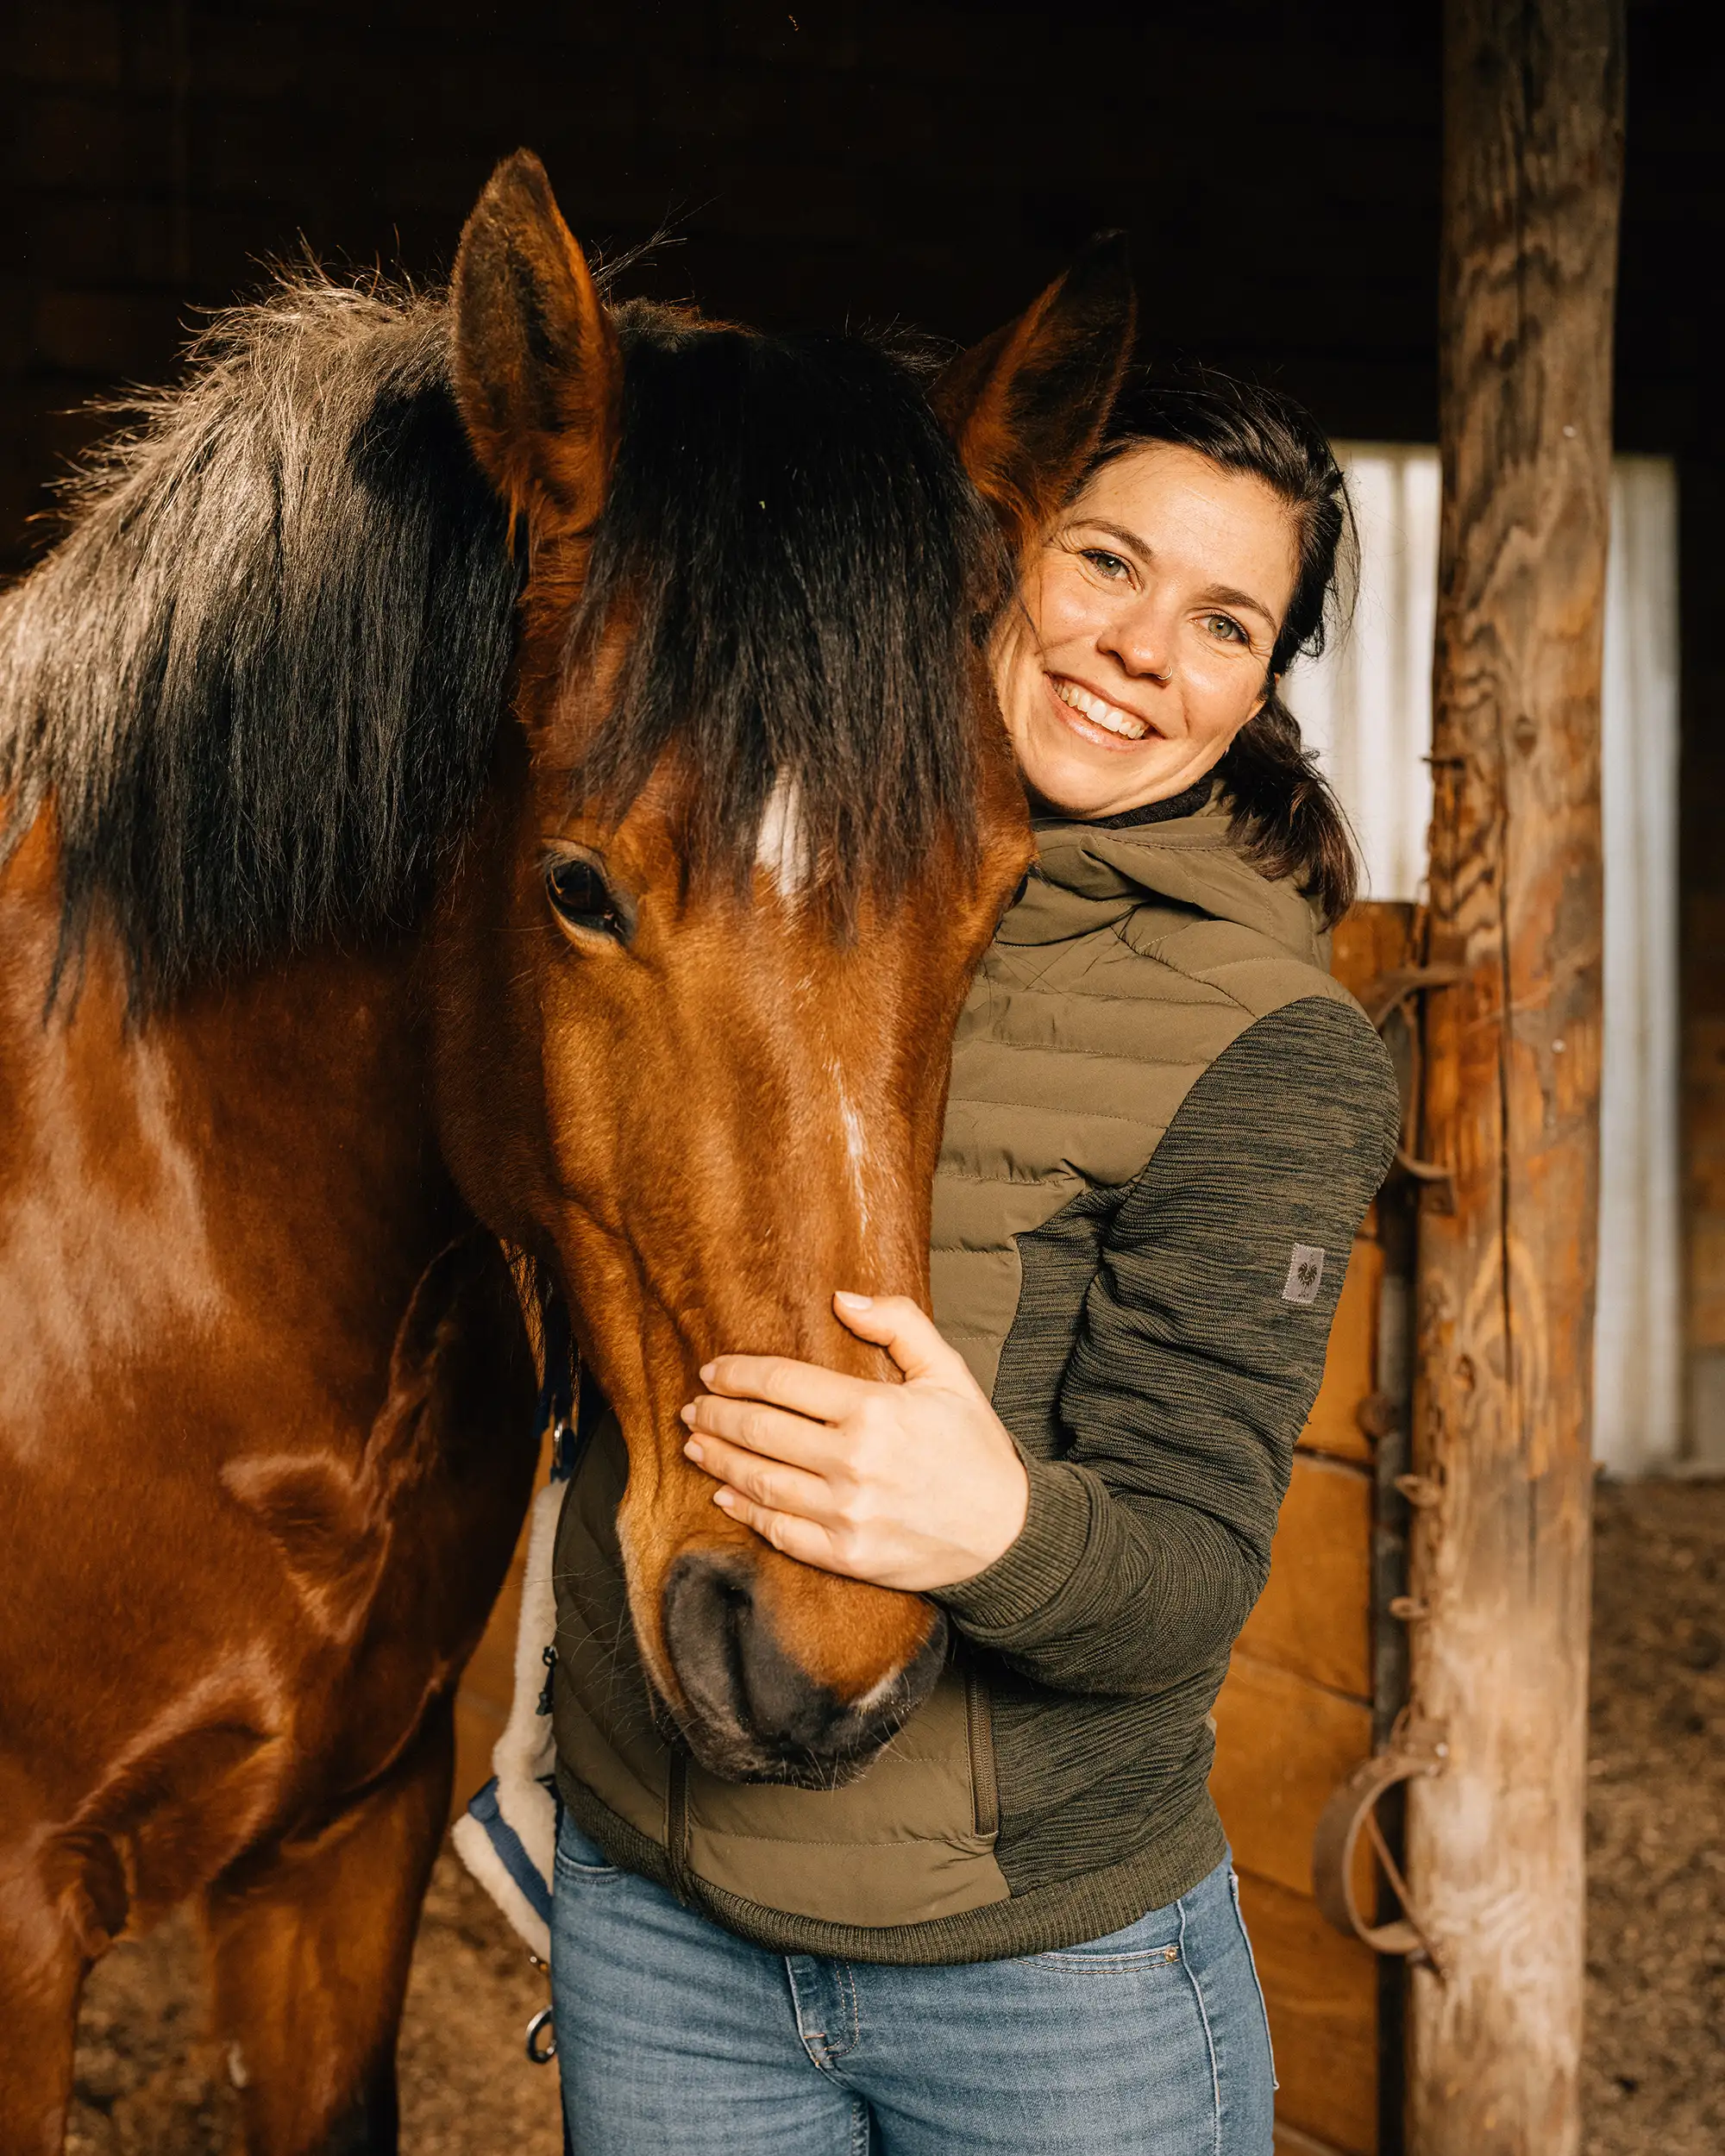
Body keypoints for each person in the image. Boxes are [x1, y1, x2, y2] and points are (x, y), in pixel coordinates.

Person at [548, 374, 1401, 2154]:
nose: (1138, 645)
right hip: (659, 1914)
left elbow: (1182, 1577)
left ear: (1257, 689)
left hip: (1041, 1983)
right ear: (996, 558)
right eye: (1105, 560)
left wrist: (990, 1527)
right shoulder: (773, 865)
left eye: (1222, 621)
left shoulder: (1266, 1043)